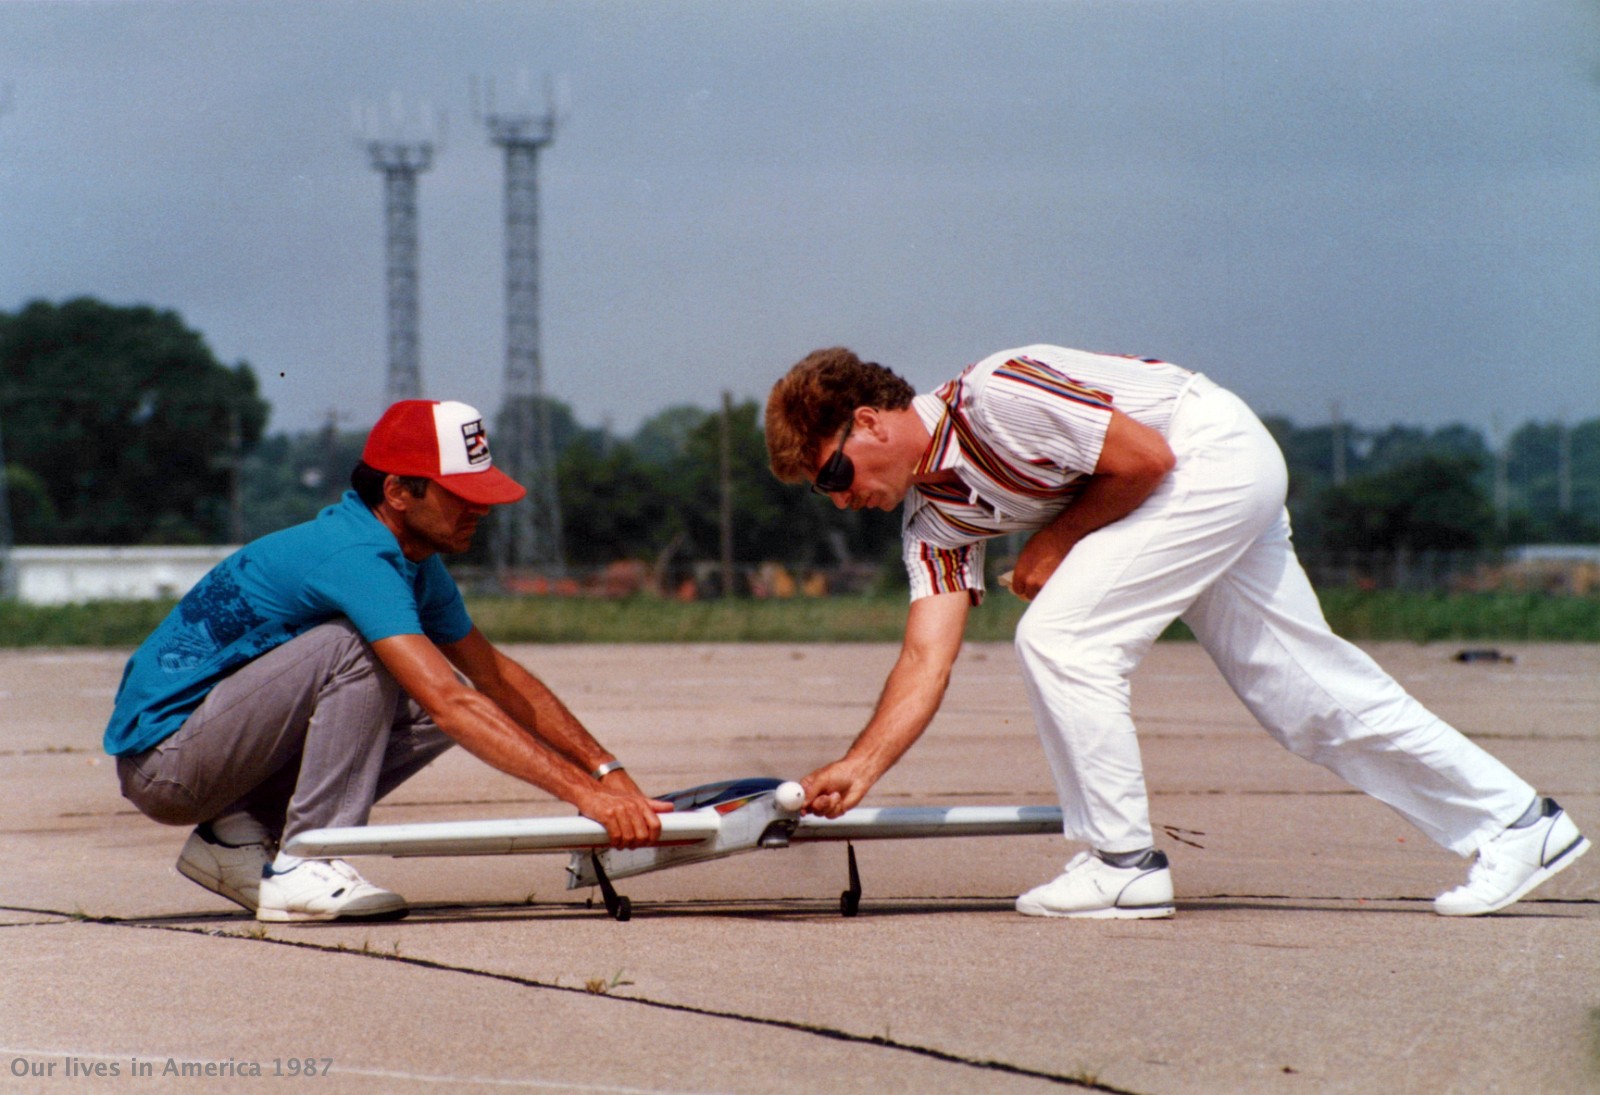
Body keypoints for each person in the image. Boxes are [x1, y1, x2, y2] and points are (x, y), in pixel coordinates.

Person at [765, 345, 1588, 919]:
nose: (839, 499)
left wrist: (1054, 540)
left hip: (1209, 452)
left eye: (833, 473)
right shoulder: (933, 519)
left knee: (1062, 638)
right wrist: (859, 764)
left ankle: (1121, 866)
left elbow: (1148, 458)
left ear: (871, 421)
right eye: (819, 492)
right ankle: (1519, 824)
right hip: (1195, 485)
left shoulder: (995, 395)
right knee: (1304, 694)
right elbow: (925, 656)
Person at [105, 399, 669, 923]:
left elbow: (493, 676)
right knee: (365, 651)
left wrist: (607, 773)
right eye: (461, 494)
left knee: (446, 689)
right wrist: (586, 799)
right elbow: (451, 704)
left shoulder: (414, 561)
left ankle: (237, 835)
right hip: (167, 763)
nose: (481, 508)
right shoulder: (357, 555)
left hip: (219, 756)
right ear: (399, 491)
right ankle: (308, 861)